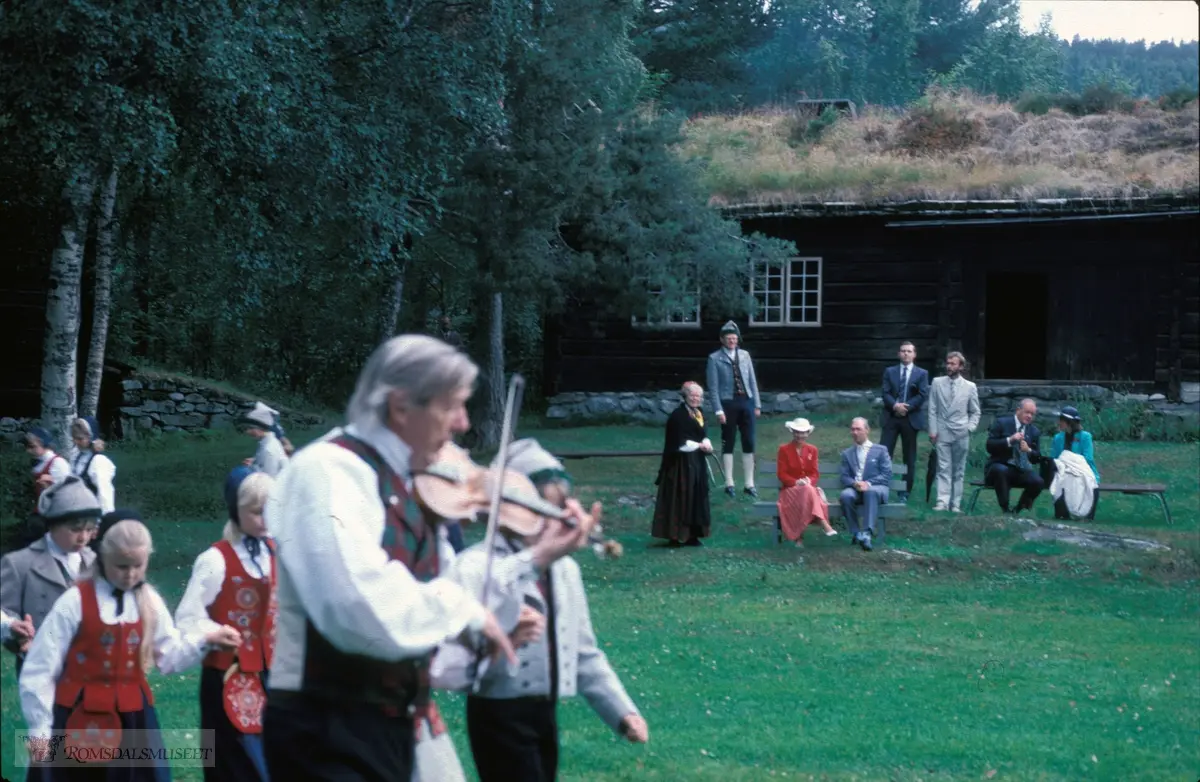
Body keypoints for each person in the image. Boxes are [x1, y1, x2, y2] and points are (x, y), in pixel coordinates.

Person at [263, 334, 564, 782]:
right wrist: (467, 614)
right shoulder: (327, 472)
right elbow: (358, 609)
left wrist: (482, 639)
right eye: (453, 406)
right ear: (401, 407)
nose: (463, 423)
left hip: (392, 730)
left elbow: (428, 644)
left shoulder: (414, 491)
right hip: (326, 730)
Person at [433, 439, 647, 782]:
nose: (553, 521)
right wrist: (507, 636)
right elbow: (459, 644)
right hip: (497, 713)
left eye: (557, 509)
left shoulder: (565, 571)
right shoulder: (478, 565)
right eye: (543, 509)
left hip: (544, 712)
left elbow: (583, 653)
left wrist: (622, 712)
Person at [19, 516, 242, 778]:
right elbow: (41, 666)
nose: (131, 574)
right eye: (122, 566)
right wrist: (40, 731)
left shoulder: (149, 601)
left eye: (138, 565)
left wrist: (207, 641)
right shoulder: (75, 602)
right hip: (77, 716)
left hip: (134, 718)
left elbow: (169, 656)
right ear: (103, 558)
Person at [175, 468, 278, 782]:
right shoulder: (215, 560)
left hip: (271, 676)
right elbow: (187, 618)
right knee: (238, 767)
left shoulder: (275, 553)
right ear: (236, 510)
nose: (266, 519)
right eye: (257, 512)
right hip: (228, 677)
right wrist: (213, 633)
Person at [0, 477, 99, 674]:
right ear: (52, 525)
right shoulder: (20, 563)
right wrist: (11, 626)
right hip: (41, 669)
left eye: (89, 530)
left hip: (90, 667)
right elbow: (4, 610)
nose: (83, 537)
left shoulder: (95, 561)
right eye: (75, 529)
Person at [651, 381, 713, 547]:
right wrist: (698, 445)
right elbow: (679, 441)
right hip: (680, 464)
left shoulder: (699, 413)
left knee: (696, 497)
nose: (696, 399)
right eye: (692, 395)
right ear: (685, 396)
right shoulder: (678, 416)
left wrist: (706, 442)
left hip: (697, 463)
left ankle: (693, 535)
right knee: (680, 497)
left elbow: (702, 433)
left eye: (698, 396)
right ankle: (675, 535)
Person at [705, 321, 761, 498]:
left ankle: (749, 484)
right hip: (727, 403)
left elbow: (752, 380)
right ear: (722, 340)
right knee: (728, 441)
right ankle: (729, 482)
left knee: (749, 442)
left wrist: (757, 404)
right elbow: (713, 387)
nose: (732, 341)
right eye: (729, 338)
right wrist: (718, 410)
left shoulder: (745, 355)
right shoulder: (714, 358)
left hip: (747, 401)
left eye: (734, 338)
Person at [927, 351, 982, 513]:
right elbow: (932, 408)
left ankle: (955, 503)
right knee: (943, 467)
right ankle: (942, 501)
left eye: (953, 364)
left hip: (961, 431)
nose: (949, 366)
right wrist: (933, 430)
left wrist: (969, 428)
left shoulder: (970, 387)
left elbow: (975, 411)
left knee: (958, 469)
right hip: (943, 430)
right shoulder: (937, 382)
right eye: (948, 363)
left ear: (961, 366)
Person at [880, 341, 928, 503]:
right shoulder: (889, 372)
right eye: (903, 351)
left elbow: (922, 395)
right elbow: (885, 392)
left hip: (910, 418)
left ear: (914, 354)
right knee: (884, 454)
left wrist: (906, 407)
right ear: (898, 354)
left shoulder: (921, 373)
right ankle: (881, 488)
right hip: (891, 417)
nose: (906, 354)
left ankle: (904, 492)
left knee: (909, 456)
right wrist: (895, 406)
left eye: (909, 351)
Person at [775, 418, 836, 545]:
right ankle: (823, 523)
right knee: (807, 491)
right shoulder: (784, 449)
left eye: (803, 432)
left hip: (807, 490)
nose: (800, 435)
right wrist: (796, 482)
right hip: (790, 490)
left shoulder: (812, 450)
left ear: (808, 433)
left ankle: (799, 538)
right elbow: (782, 474)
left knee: (807, 490)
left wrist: (808, 480)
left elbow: (814, 473)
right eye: (797, 432)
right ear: (792, 432)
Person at [838, 418, 892, 552]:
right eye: (853, 429)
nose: (855, 432)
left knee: (870, 492)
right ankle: (856, 533)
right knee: (845, 495)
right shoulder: (847, 453)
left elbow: (886, 474)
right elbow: (844, 477)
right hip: (856, 490)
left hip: (876, 489)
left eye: (858, 429)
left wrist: (868, 483)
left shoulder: (881, 450)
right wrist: (854, 484)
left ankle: (867, 533)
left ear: (867, 430)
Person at [984, 399, 1046, 514]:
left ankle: (1018, 510)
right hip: (998, 467)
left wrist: (1029, 450)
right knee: (1001, 470)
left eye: (1032, 414)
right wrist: (1010, 440)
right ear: (1018, 410)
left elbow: (1037, 458)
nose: (1029, 416)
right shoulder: (1002, 423)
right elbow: (989, 446)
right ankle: (1005, 509)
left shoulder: (1034, 431)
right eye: (1027, 412)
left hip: (1020, 470)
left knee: (1038, 481)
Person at [1049, 406, 1100, 520]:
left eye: (1061, 420)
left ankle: (1087, 514)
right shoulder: (1058, 438)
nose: (1059, 422)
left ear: (1069, 422)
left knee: (1089, 481)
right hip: (1063, 470)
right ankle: (1063, 513)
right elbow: (1054, 458)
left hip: (1083, 470)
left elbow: (1088, 458)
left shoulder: (1085, 437)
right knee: (1061, 478)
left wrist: (1072, 463)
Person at [70, 416, 116, 514]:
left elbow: (104, 494)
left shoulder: (98, 461)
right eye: (74, 438)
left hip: (91, 513)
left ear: (90, 437)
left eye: (80, 439)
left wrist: (106, 521)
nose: (75, 441)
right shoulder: (76, 454)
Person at [238, 402, 290, 477]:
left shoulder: (269, 450)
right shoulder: (266, 442)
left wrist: (251, 467)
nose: (248, 432)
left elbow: (268, 479)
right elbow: (264, 463)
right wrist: (254, 461)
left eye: (251, 428)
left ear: (261, 428)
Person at [25, 427, 71, 503]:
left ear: (43, 444)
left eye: (32, 446)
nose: (28, 451)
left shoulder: (58, 463)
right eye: (27, 447)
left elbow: (67, 493)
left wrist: (48, 488)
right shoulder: (37, 461)